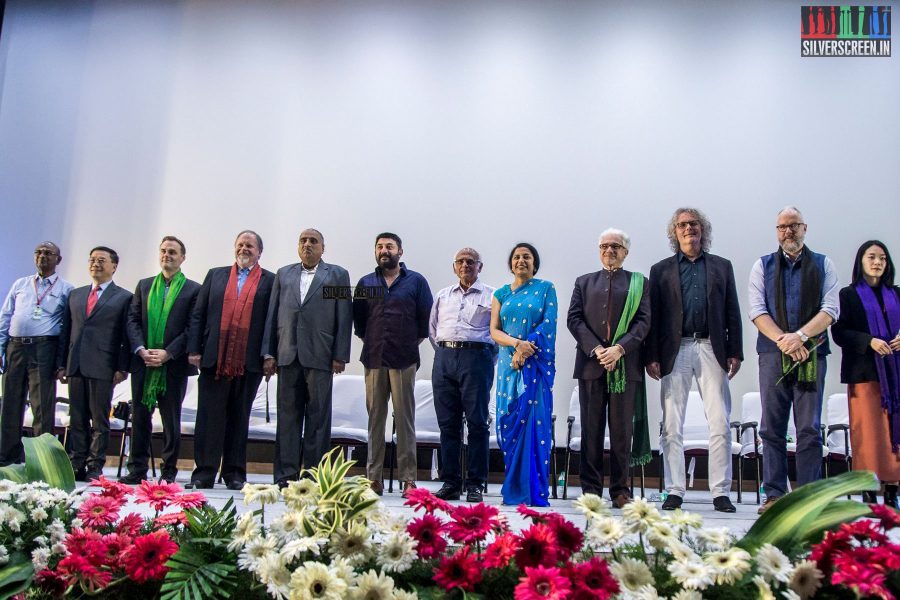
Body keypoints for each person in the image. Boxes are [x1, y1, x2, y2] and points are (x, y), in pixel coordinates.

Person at [645, 209, 743, 513]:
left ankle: (720, 491)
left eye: (694, 224)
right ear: (675, 232)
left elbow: (732, 311)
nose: (689, 229)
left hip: (711, 347)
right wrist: (651, 356)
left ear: (703, 230)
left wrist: (735, 351)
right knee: (672, 424)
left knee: (720, 423)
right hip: (675, 349)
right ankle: (674, 489)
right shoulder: (660, 270)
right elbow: (654, 317)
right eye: (682, 225)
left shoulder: (721, 267)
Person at [748, 207, 839, 513]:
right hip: (773, 354)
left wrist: (799, 337)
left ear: (805, 228)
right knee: (771, 428)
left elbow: (830, 309)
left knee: (809, 429)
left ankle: (809, 498)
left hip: (811, 354)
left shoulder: (824, 264)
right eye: (782, 227)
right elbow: (757, 310)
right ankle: (774, 494)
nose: (788, 232)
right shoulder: (762, 265)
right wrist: (785, 341)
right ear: (777, 231)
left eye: (793, 226)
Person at [262, 228, 352, 486]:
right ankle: (285, 476)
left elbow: (344, 317)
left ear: (323, 248)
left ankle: (314, 476)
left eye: (313, 241)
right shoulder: (284, 274)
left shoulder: (336, 275)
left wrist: (340, 355)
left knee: (318, 419)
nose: (307, 245)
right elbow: (272, 315)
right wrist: (269, 353)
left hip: (321, 356)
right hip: (287, 354)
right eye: (303, 240)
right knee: (288, 418)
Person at [567, 230, 650, 508]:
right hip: (591, 365)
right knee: (590, 430)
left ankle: (619, 491)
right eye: (604, 246)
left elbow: (643, 322)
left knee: (621, 432)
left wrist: (619, 349)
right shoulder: (584, 282)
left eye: (616, 246)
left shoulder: (639, 283)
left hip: (625, 365)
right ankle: (590, 489)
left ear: (626, 251)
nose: (609, 250)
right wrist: (597, 349)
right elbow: (574, 319)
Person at [186, 230, 274, 490]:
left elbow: (271, 321)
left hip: (249, 361)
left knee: (239, 418)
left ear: (259, 252)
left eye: (249, 246)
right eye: (240, 245)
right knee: (209, 418)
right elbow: (198, 313)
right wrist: (194, 349)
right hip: (214, 358)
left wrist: (270, 355)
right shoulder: (216, 275)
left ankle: (234, 473)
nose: (244, 249)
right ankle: (204, 472)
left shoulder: (270, 281)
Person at [353, 232, 433, 497]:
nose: (384, 250)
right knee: (375, 419)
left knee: (405, 420)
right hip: (374, 359)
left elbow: (425, 322)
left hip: (404, 360)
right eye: (379, 246)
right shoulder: (366, 283)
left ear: (400, 251)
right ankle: (373, 478)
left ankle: (408, 479)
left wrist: (406, 343)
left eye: (389, 246)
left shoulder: (416, 282)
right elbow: (361, 324)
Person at [120, 236, 200, 484]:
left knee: (170, 421)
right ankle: (137, 469)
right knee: (141, 417)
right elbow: (132, 320)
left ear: (182, 258)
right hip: (144, 362)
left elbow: (192, 327)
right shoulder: (144, 286)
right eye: (163, 251)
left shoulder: (193, 289)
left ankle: (168, 470)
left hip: (173, 365)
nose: (167, 255)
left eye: (173, 252)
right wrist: (141, 349)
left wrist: (168, 353)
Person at [832, 240, 900, 509]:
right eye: (871, 257)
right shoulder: (849, 295)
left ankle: (893, 491)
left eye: (882, 258)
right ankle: (869, 491)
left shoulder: (897, 293)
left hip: (895, 375)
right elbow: (839, 333)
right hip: (865, 374)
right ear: (860, 261)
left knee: (894, 433)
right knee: (870, 435)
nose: (877, 262)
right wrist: (869, 341)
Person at [490, 243, 557, 506]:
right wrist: (517, 345)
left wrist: (527, 348)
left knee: (533, 423)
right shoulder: (500, 294)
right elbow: (494, 331)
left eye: (527, 257)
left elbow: (548, 324)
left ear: (534, 263)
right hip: (508, 366)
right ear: (511, 264)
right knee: (510, 421)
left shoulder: (546, 289)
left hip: (535, 367)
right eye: (517, 257)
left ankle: (533, 489)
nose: (521, 260)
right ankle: (514, 486)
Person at [59, 246, 132, 481]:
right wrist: (62, 364)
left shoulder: (123, 297)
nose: (95, 264)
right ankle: (76, 461)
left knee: (99, 419)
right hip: (76, 364)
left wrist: (122, 367)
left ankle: (95, 465)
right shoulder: (76, 295)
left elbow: (125, 335)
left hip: (104, 365)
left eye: (102, 260)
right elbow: (66, 332)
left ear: (114, 266)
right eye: (92, 260)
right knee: (77, 417)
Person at [429, 247, 495, 503]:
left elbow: (496, 332)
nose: (465, 265)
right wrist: (448, 353)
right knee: (448, 424)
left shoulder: (491, 296)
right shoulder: (442, 295)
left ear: (480, 266)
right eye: (461, 261)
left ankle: (476, 484)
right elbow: (433, 330)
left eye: (471, 261)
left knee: (478, 423)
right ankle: (451, 482)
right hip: (444, 359)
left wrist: (481, 356)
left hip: (477, 359)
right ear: (454, 266)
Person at [0, 242, 74, 465]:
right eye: (39, 252)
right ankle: (6, 456)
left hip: (44, 348)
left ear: (58, 260)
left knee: (42, 405)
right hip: (15, 347)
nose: (42, 256)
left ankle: (41, 459)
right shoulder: (21, 284)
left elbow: (66, 328)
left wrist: (61, 362)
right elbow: (6, 317)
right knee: (10, 403)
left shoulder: (66, 289)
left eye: (48, 253)